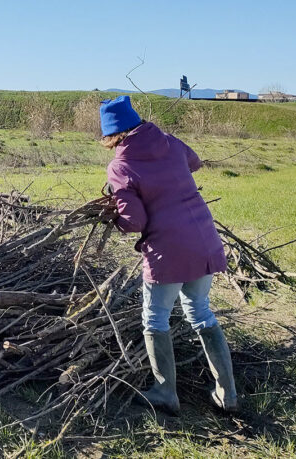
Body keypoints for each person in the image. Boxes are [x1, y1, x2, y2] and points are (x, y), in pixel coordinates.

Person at [99, 95, 237, 413]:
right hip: (202, 238)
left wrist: (113, 216)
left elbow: (135, 222)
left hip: (168, 250)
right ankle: (227, 395)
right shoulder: (170, 143)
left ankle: (165, 392)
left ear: (111, 134)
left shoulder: (121, 166)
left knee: (155, 319)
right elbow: (195, 161)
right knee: (201, 312)